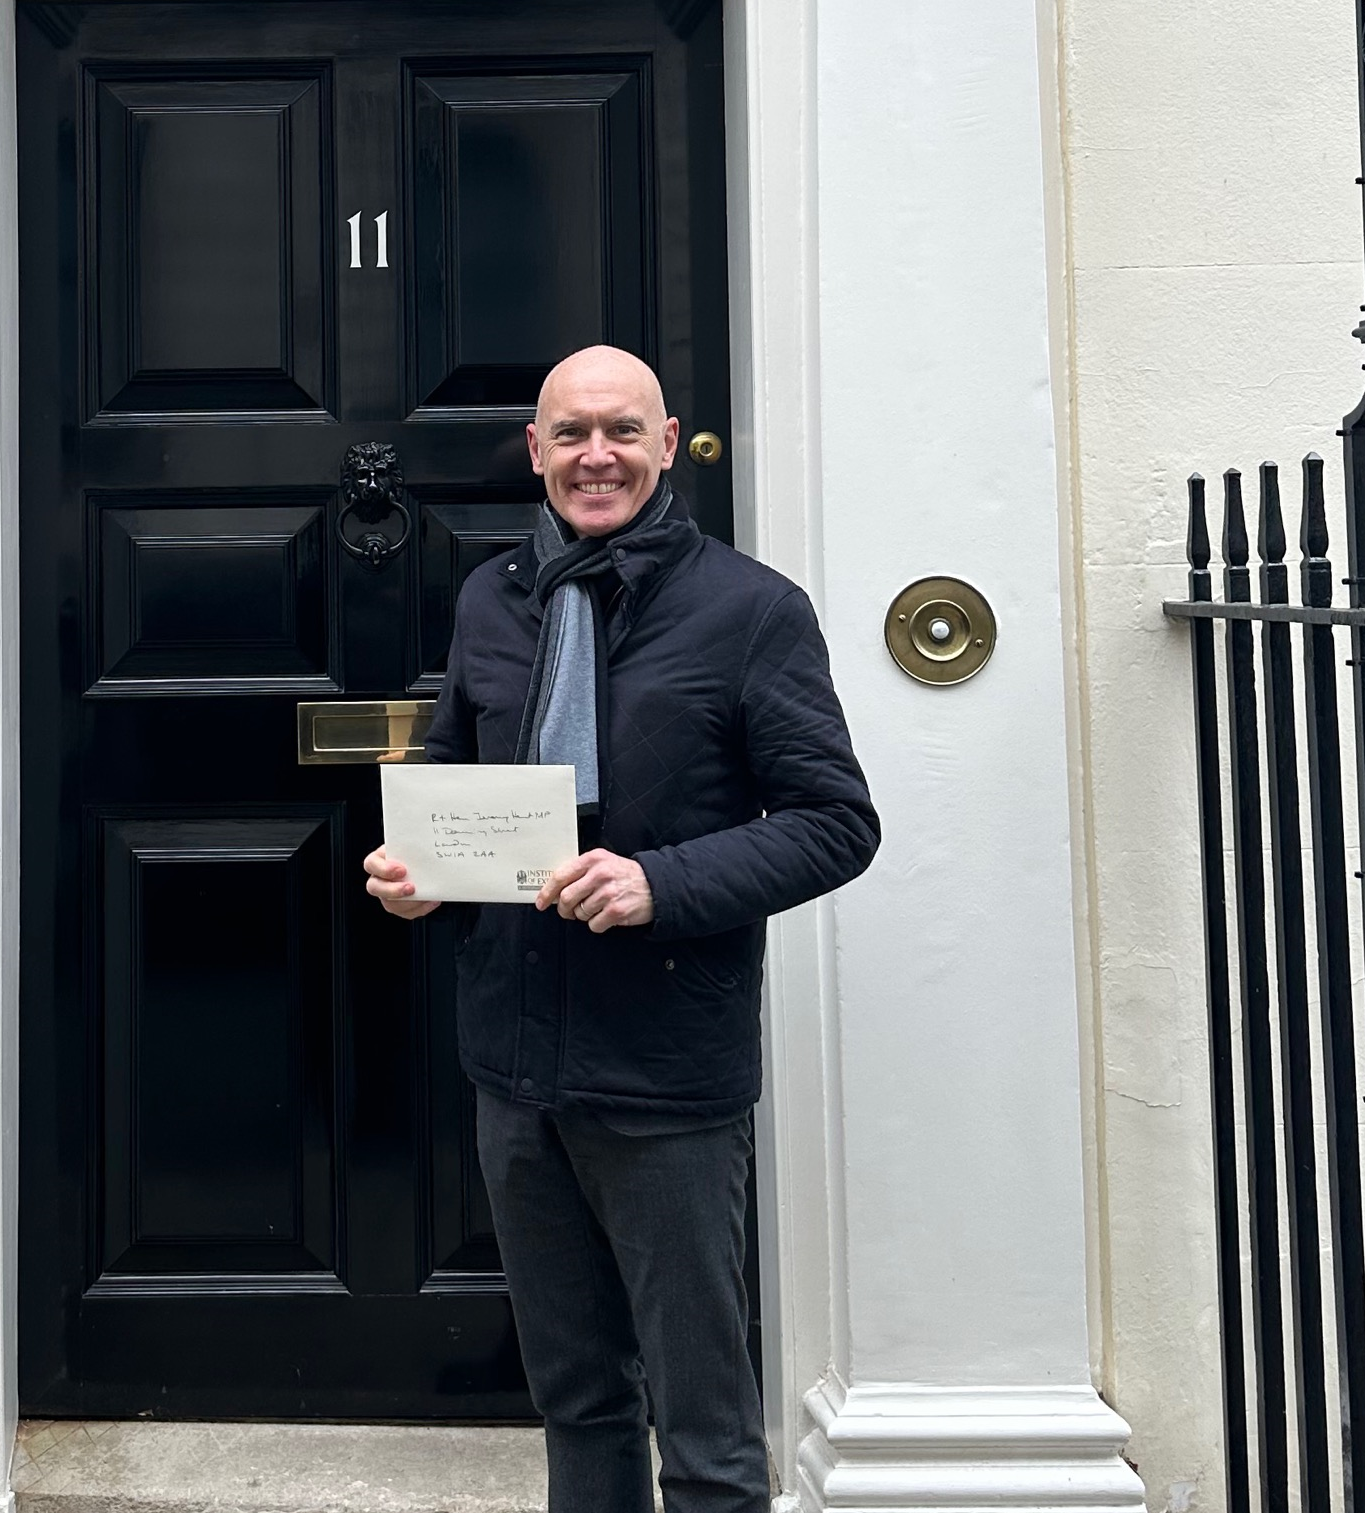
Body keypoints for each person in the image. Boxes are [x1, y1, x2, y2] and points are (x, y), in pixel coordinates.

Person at [363, 346, 880, 1513]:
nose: (596, 455)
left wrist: (661, 882)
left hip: (665, 1075)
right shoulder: (493, 596)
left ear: (665, 441)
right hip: (514, 1063)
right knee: (578, 1399)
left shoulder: (752, 612)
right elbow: (454, 758)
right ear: (536, 450)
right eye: (572, 433)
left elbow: (834, 823)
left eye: (622, 431)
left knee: (702, 1423)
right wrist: (416, 866)